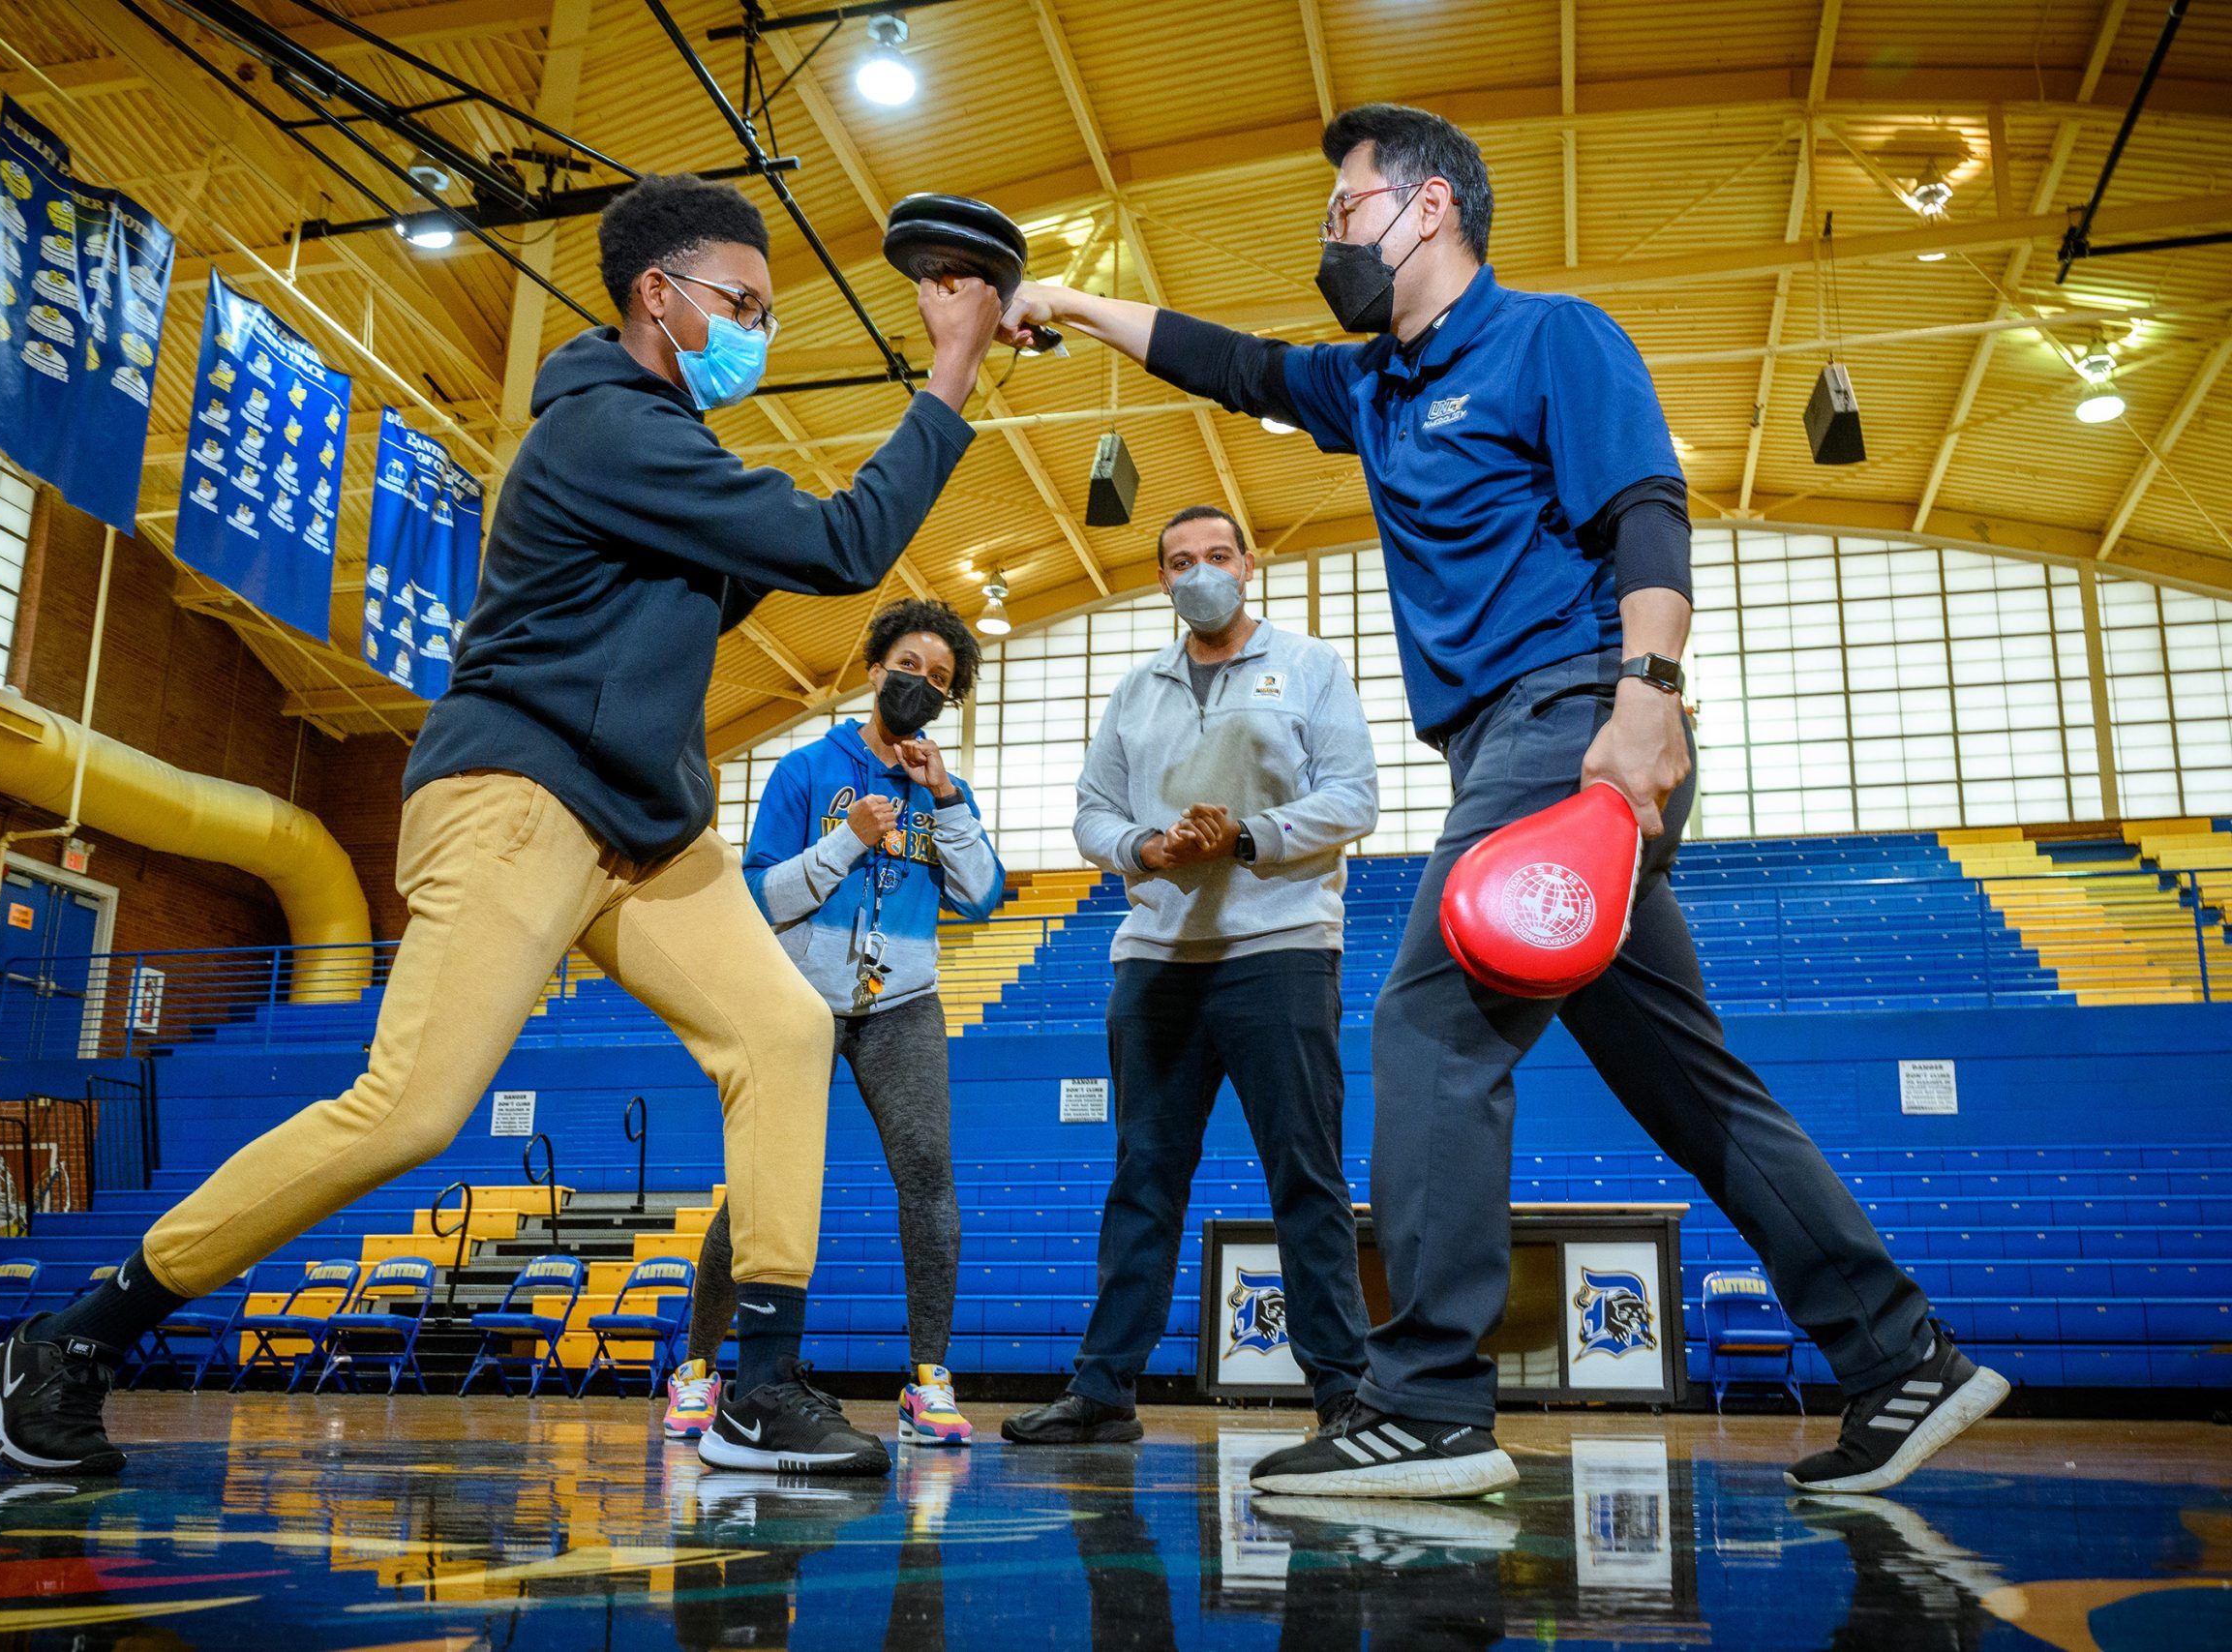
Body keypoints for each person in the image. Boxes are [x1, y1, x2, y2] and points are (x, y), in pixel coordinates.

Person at [1001, 105, 2006, 1497]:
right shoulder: (1379, 390)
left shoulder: (1553, 337)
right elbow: (1230, 363)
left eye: (1345, 211)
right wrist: (1067, 303)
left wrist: (1646, 702)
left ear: (1426, 209)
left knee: (1428, 1024)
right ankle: (1904, 1356)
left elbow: (1648, 513)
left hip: (1573, 717)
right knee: (1683, 1076)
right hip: (1502, 747)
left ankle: (1427, 1401)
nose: (1329, 239)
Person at [0, 173, 1004, 1481]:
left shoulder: (664, 455)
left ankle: (757, 1383)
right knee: (409, 1108)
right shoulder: (607, 433)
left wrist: (958, 372)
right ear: (659, 296)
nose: (758, 330)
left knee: (785, 1026)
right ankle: (70, 1337)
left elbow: (754, 571)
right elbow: (846, 542)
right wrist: (952, 369)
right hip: (520, 797)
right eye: (740, 303)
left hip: (641, 822)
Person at [1001, 503, 1377, 1446]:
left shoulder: (1312, 667)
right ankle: (1103, 1391)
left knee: (1305, 1176)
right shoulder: (1136, 690)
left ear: (1247, 564)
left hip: (1278, 954)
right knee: (1143, 1179)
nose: (1199, 570)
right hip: (1156, 963)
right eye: (1179, 561)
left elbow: (1354, 798)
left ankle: (1345, 1395)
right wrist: (1144, 846)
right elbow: (1091, 812)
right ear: (1161, 579)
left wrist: (1247, 836)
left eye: (1216, 554)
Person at [662, 598, 1003, 1449]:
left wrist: (950, 799)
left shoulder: (939, 790)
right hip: (797, 1004)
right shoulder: (805, 772)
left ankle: (928, 1380)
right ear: (874, 664)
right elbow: (757, 896)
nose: (920, 686)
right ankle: (700, 1370)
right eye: (909, 667)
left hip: (904, 1007)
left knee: (929, 1175)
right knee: (759, 1191)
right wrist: (846, 841)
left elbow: (984, 894)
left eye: (940, 681)